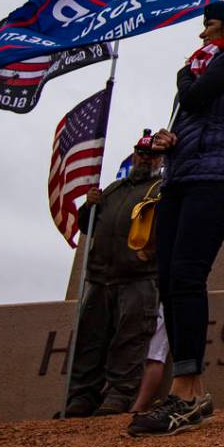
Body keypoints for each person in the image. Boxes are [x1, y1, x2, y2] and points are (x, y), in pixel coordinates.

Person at [128, 1, 224, 437]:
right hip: (182, 174)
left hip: (219, 174)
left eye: (207, 24)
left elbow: (194, 96)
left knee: (187, 274)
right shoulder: (205, 64)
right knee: (168, 278)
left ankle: (186, 391)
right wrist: (169, 140)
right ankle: (192, 391)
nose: (200, 33)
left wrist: (183, 75)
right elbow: (193, 112)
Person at [65, 132, 164, 417]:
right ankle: (81, 396)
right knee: (90, 339)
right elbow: (88, 226)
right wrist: (89, 205)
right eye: (140, 153)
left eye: (151, 155)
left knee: (130, 338)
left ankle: (119, 394)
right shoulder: (113, 190)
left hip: (139, 275)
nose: (144, 158)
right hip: (100, 276)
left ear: (159, 160)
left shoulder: (160, 189)